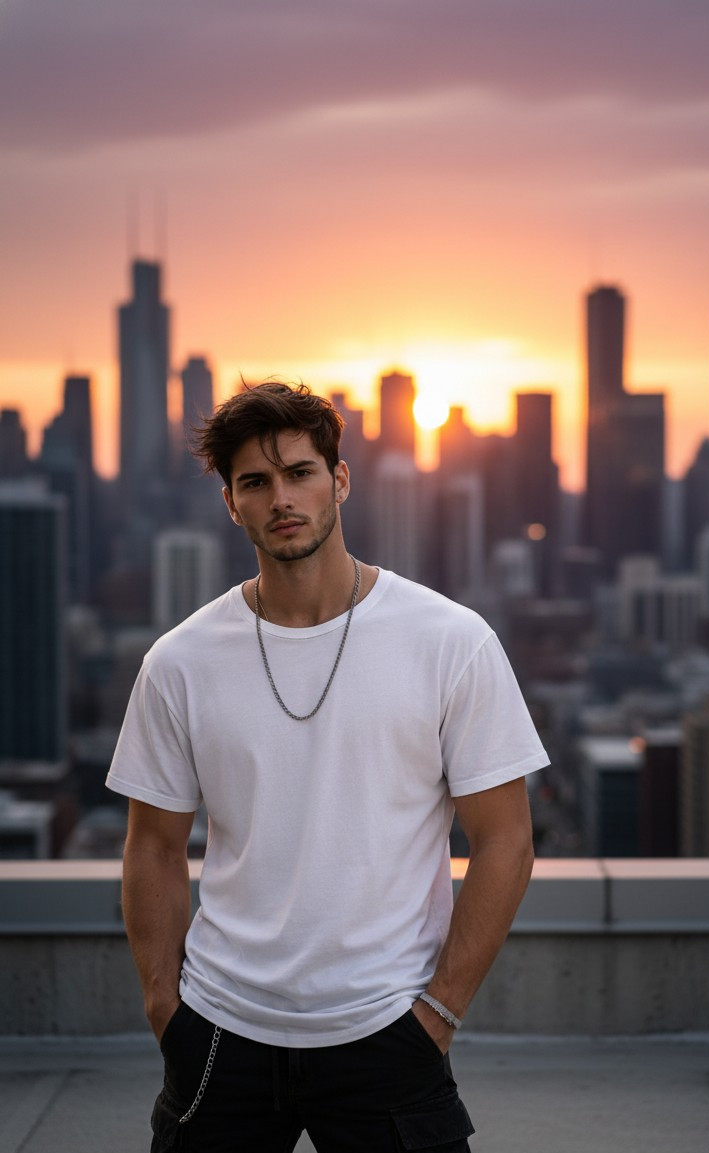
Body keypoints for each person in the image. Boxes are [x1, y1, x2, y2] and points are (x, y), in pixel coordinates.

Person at [107, 381, 548, 1152]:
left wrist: (440, 1012)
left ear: (340, 480)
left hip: (389, 1029)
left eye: (301, 472)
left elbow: (506, 839)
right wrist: (163, 1009)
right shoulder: (179, 662)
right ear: (231, 503)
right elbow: (153, 845)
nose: (282, 497)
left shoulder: (450, 640)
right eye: (256, 481)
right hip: (220, 1028)